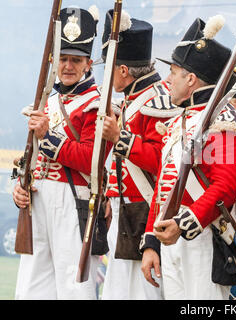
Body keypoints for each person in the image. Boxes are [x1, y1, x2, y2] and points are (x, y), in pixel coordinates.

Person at [139, 15, 236, 300]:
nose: (168, 79)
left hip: (204, 236)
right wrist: (152, 242)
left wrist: (183, 224)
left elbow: (226, 186)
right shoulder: (182, 120)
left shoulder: (226, 119)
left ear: (191, 78)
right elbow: (163, 189)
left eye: (175, 72)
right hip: (172, 237)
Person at [12, 6, 109, 299]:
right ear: (54, 61)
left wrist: (48, 136)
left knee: (73, 288)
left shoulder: (98, 104)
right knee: (32, 288)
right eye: (63, 59)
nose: (68, 66)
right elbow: (32, 158)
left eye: (75, 60)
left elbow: (91, 160)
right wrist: (22, 185)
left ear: (88, 64)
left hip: (73, 201)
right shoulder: (48, 100)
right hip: (38, 200)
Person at [99, 10, 181, 300]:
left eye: (110, 68)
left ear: (122, 71)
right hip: (126, 208)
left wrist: (119, 138)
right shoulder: (131, 98)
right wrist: (111, 193)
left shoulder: (158, 101)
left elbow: (164, 161)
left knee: (142, 292)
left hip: (144, 209)